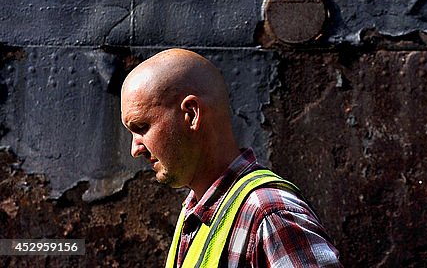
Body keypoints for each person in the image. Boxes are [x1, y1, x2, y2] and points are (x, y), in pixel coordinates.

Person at [119, 48, 342, 267]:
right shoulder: (196, 209)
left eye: (141, 127)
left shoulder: (269, 214)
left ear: (191, 114)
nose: (135, 149)